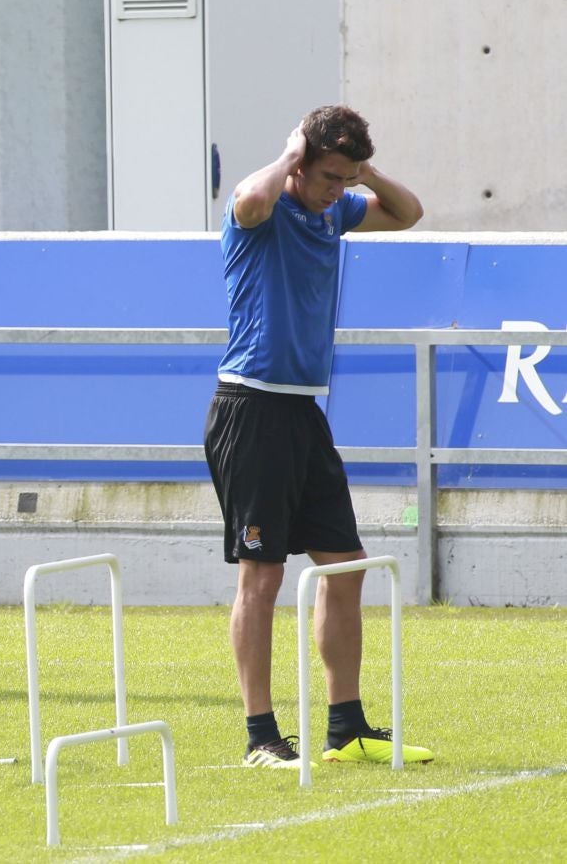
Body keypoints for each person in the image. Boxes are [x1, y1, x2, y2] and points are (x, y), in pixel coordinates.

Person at [203, 105, 433, 769]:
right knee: (263, 576)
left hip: (303, 412)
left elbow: (409, 211)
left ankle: (346, 728)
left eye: (347, 178)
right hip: (250, 409)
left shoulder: (337, 211)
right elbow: (247, 197)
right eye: (330, 176)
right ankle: (259, 737)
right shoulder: (265, 207)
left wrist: (362, 171)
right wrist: (290, 151)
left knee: (346, 567)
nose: (340, 190)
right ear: (301, 165)